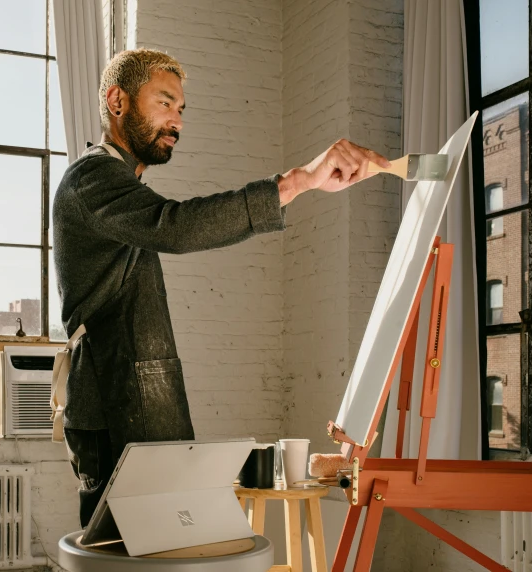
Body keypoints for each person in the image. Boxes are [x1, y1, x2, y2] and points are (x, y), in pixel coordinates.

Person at [52, 48, 390, 527]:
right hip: (112, 403)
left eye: (181, 110)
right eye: (165, 103)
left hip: (132, 397)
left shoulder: (121, 184)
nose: (177, 122)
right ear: (117, 101)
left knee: (156, 546)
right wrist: (296, 182)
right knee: (123, 554)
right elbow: (175, 226)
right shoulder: (92, 176)